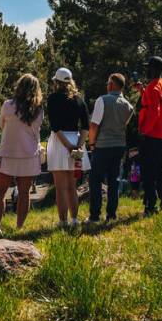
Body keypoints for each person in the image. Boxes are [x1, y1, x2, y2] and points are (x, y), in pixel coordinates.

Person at [0, 74, 44, 236]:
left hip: (8, 153)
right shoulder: (38, 110)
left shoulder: (8, 106)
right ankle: (20, 228)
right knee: (24, 193)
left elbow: (2, 125)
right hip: (29, 154)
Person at [86, 73, 135, 224]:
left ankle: (95, 216)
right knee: (114, 180)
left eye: (108, 83)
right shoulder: (128, 106)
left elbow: (94, 125)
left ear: (112, 85)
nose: (107, 85)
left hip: (102, 145)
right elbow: (123, 125)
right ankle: (111, 214)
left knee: (95, 180)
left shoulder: (102, 100)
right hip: (119, 145)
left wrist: (92, 143)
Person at [46, 68, 91, 228]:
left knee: (60, 187)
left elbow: (55, 126)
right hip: (76, 139)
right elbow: (86, 125)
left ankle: (63, 221)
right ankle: (74, 219)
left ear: (56, 82)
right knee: (72, 186)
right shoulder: (79, 99)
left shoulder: (52, 99)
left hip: (60, 142)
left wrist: (69, 147)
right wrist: (79, 146)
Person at [134, 56, 162, 216]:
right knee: (161, 171)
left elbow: (154, 111)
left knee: (148, 172)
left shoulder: (153, 87)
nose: (146, 70)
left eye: (148, 68)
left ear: (154, 69)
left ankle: (150, 206)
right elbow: (157, 103)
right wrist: (142, 91)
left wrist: (144, 131)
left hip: (151, 135)